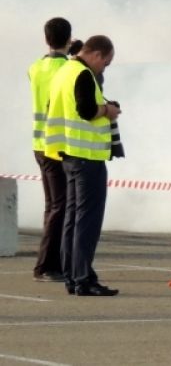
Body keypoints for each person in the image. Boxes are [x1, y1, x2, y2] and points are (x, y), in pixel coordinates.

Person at [44, 35, 121, 297]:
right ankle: (83, 278)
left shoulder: (65, 70)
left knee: (72, 220)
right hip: (87, 155)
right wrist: (108, 110)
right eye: (106, 63)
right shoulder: (84, 74)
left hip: (68, 154)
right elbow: (87, 110)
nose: (104, 68)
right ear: (97, 55)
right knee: (87, 222)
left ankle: (72, 275)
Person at [28, 17, 73, 282]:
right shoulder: (68, 68)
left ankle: (51, 261)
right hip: (59, 144)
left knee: (53, 205)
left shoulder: (35, 67)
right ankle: (45, 265)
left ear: (46, 39)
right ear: (69, 39)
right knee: (61, 206)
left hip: (39, 143)